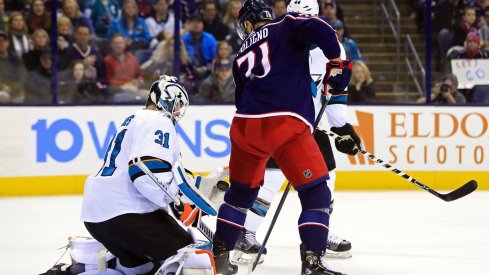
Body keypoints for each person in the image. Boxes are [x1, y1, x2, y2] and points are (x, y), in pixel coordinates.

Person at [212, 0, 361, 274]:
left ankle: (219, 259)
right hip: (285, 124)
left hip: (245, 128)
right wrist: (338, 63)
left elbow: (240, 99)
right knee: (316, 191)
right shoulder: (286, 23)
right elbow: (321, 28)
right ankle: (312, 262)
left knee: (239, 196)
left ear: (248, 23)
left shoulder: (242, 51)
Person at [80, 75, 216, 275]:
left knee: (143, 268)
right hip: (126, 213)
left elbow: (155, 172)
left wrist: (179, 202)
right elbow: (143, 171)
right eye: (177, 103)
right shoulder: (159, 121)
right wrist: (178, 201)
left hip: (97, 216)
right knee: (190, 257)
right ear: (165, 99)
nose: (178, 111)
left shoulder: (137, 119)